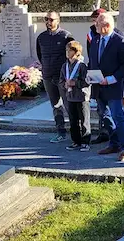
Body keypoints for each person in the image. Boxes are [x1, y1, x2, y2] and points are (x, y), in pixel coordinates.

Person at [89, 12, 124, 161]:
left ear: (106, 26)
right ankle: (114, 143)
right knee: (105, 116)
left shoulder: (121, 42)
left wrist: (112, 78)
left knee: (118, 117)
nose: (94, 26)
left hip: (113, 86)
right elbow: (93, 62)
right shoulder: (95, 40)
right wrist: (90, 77)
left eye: (97, 24)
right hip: (98, 87)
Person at [36, 10, 74, 143]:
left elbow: (73, 56)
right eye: (46, 19)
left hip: (62, 77)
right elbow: (40, 55)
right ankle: (60, 132)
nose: (48, 22)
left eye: (51, 19)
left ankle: (77, 133)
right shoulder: (41, 37)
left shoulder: (66, 36)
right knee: (56, 106)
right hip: (47, 75)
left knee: (69, 104)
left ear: (58, 20)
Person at [87, 8, 123, 145]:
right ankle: (107, 135)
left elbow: (123, 63)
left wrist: (112, 78)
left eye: (96, 19)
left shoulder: (117, 36)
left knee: (114, 114)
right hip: (97, 80)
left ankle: (118, 140)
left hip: (111, 82)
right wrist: (90, 73)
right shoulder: (93, 35)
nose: (94, 22)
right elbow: (92, 56)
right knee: (102, 112)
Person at [60, 41, 91, 152]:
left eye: (70, 50)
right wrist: (64, 84)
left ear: (76, 52)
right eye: (66, 50)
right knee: (73, 121)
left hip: (82, 97)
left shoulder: (82, 66)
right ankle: (76, 141)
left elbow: (87, 82)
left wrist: (75, 83)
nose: (67, 52)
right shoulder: (65, 66)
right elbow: (61, 80)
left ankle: (85, 142)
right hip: (70, 96)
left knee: (84, 120)